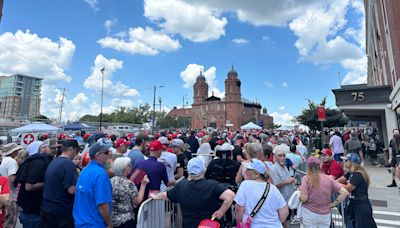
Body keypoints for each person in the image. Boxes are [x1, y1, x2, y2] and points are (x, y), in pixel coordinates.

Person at [151, 157, 235, 228]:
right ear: (203, 169)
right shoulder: (211, 185)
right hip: (209, 224)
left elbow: (165, 195)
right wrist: (221, 211)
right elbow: (230, 195)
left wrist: (154, 196)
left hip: (189, 225)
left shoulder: (181, 185)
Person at [234, 159, 289, 227]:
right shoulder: (273, 188)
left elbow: (239, 209)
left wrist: (239, 223)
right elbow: (285, 212)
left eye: (248, 170)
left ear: (257, 174)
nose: (245, 172)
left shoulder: (245, 184)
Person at [16, 139, 57, 228]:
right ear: (43, 148)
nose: (54, 151)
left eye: (55, 148)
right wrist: (48, 183)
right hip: (31, 210)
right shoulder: (38, 162)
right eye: (52, 148)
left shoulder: (42, 160)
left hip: (34, 209)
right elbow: (29, 186)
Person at [299, 156, 348, 228]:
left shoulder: (306, 179)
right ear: (320, 166)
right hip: (325, 214)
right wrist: (333, 204)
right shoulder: (329, 179)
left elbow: (304, 198)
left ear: (308, 167)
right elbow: (344, 192)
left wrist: (299, 195)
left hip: (309, 213)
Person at [73, 142, 113, 228]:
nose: (109, 154)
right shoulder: (100, 174)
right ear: (97, 155)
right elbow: (102, 204)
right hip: (95, 223)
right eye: (106, 152)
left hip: (81, 222)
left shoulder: (85, 170)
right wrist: (109, 224)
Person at [41, 140, 79, 228]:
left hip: (47, 208)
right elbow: (72, 190)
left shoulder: (54, 161)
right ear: (72, 149)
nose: (77, 154)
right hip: (61, 211)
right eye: (77, 151)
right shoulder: (68, 164)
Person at [337, 153, 377, 228]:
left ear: (351, 162)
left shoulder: (358, 174)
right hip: (353, 204)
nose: (344, 163)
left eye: (346, 161)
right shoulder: (350, 173)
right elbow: (339, 180)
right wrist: (335, 183)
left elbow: (348, 188)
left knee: (364, 225)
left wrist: (336, 185)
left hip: (361, 204)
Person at [111, 157, 149, 228]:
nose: (131, 166)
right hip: (126, 219)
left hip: (113, 219)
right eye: (129, 165)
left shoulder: (110, 181)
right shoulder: (128, 183)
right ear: (124, 169)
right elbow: (137, 201)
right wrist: (143, 185)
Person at [0, 143, 21, 228]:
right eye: (16, 151)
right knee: (9, 222)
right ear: (13, 152)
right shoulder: (12, 162)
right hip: (9, 194)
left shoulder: (3, 160)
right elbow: (12, 178)